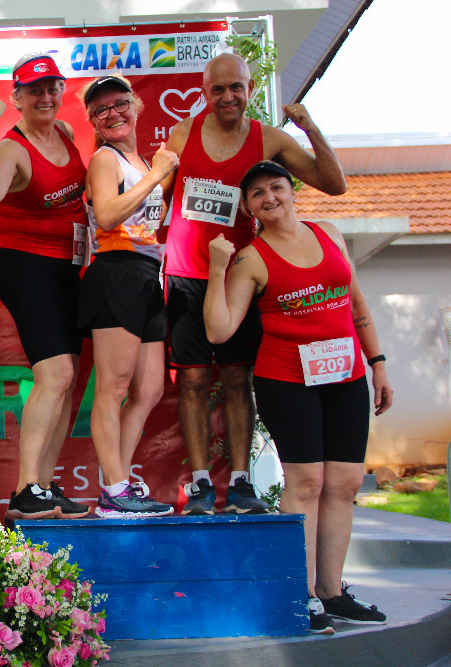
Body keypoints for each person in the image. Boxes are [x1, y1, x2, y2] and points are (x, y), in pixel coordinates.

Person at [204, 159, 392, 634]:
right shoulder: (251, 258)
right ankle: (300, 594)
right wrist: (216, 268)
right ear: (248, 208)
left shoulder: (329, 232)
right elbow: (219, 329)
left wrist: (378, 363)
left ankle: (331, 591)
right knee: (306, 483)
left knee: (346, 483)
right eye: (257, 194)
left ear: (292, 191)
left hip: (346, 377)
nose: (270, 198)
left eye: (277, 187)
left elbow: (355, 302)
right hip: (287, 381)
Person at [163, 52, 346, 515]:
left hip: (243, 276)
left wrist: (312, 130)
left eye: (237, 88)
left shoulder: (270, 139)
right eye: (218, 89)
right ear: (205, 93)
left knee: (239, 377)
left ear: (249, 89)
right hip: (188, 272)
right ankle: (203, 482)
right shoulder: (184, 134)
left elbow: (333, 184)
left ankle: (241, 482)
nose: (228, 97)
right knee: (193, 380)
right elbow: (158, 193)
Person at [0, 53, 90, 519]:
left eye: (52, 87)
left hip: (68, 268)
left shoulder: (62, 133)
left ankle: (44, 483)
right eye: (34, 90)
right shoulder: (12, 148)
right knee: (55, 374)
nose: (45, 96)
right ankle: (24, 489)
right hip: (26, 268)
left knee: (69, 377)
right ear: (16, 97)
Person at [78, 76, 178, 517]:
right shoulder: (106, 158)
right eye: (101, 110)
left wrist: (159, 173)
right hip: (116, 270)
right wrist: (157, 174)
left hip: (147, 273)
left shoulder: (143, 159)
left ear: (136, 106)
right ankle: (116, 489)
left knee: (150, 387)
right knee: (113, 386)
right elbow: (106, 214)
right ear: (93, 123)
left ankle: (116, 484)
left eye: (120, 104)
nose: (113, 114)